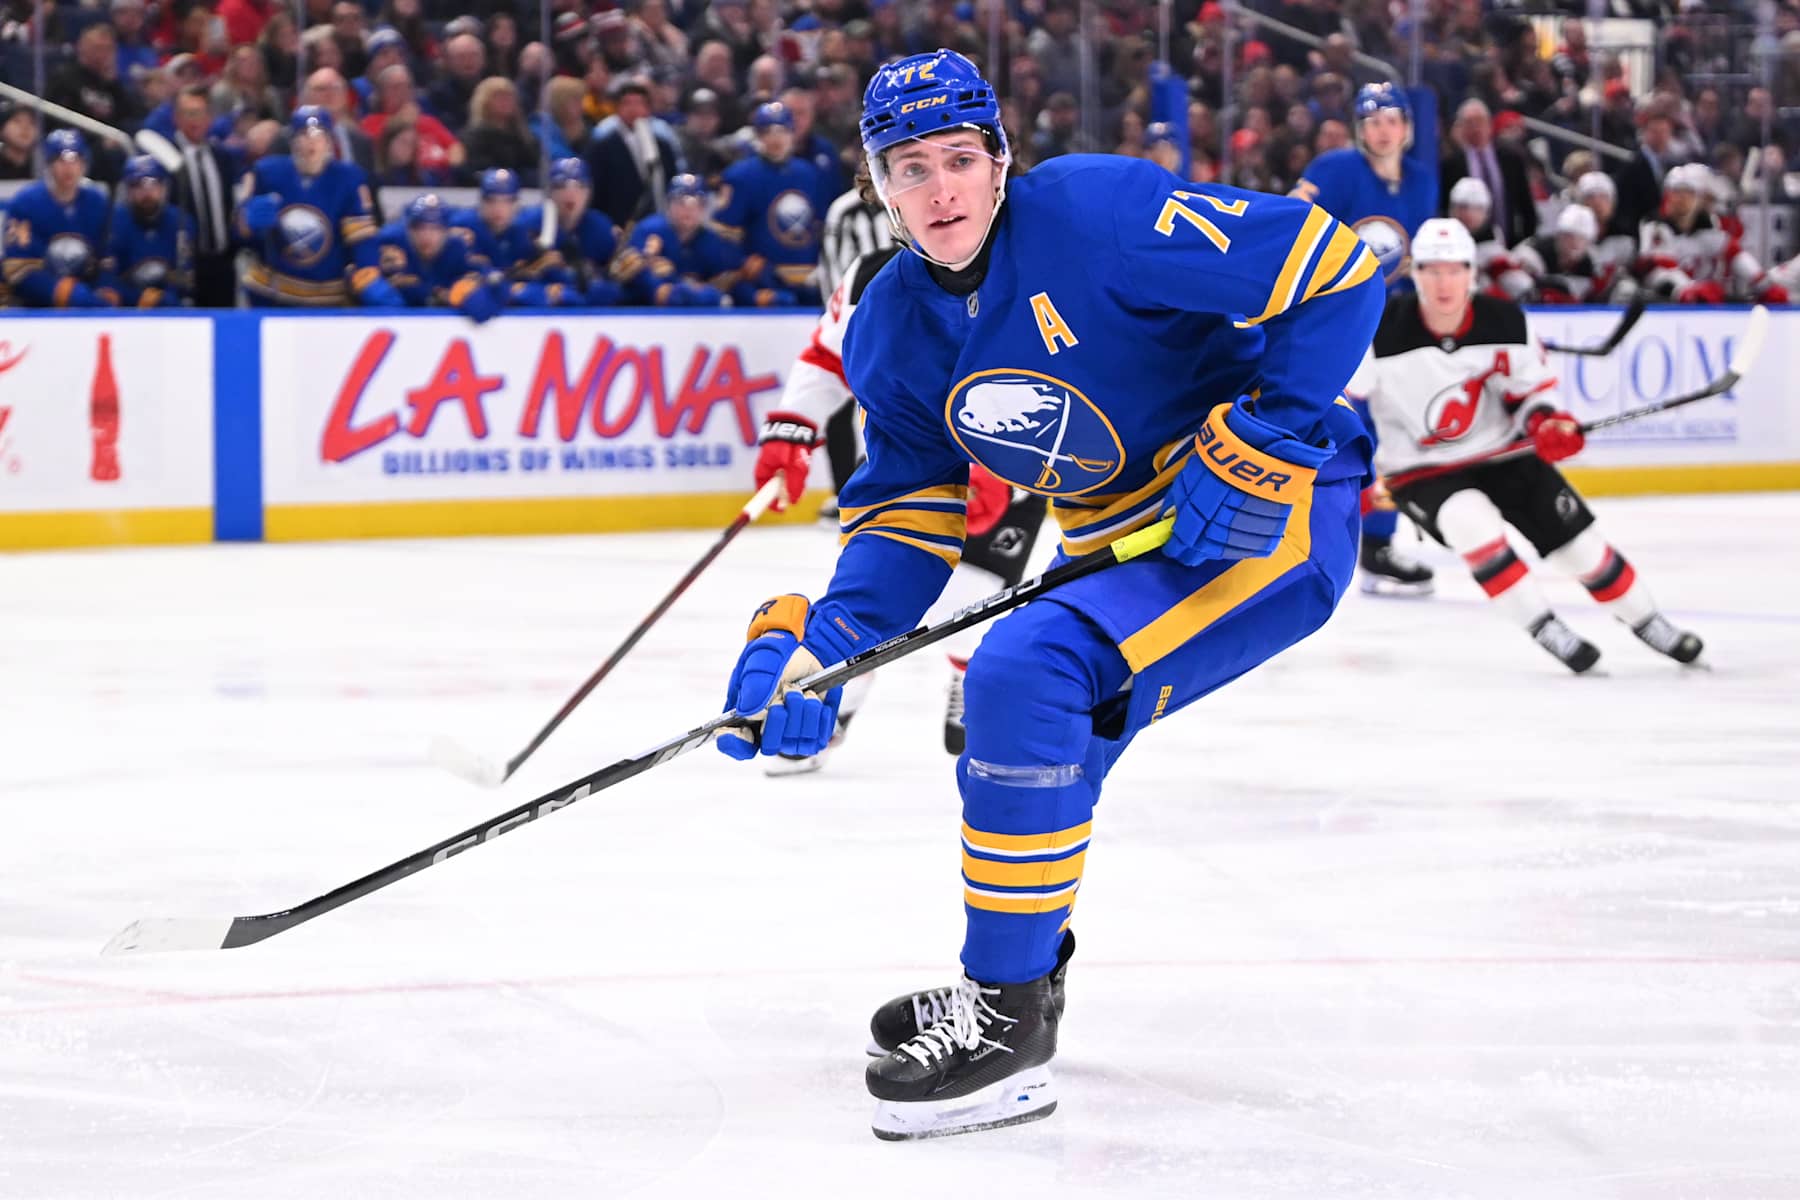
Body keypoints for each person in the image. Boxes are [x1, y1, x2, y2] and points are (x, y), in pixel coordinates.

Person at [711, 49, 1383, 1140]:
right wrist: (819, 649)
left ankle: (1007, 1030)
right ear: (880, 186)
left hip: (1275, 515)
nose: (941, 190)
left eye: (961, 160)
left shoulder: (1097, 212)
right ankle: (1013, 985)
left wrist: (1269, 430)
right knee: (1030, 735)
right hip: (1127, 547)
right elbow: (903, 521)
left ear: (1001, 161)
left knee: (1027, 673)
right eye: (911, 167)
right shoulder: (889, 324)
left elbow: (1338, 269)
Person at [1349, 218, 1703, 674]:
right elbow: (1347, 399)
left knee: (1581, 549)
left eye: (1454, 270)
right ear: (1415, 274)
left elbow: (1530, 393)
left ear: (1472, 274)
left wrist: (1546, 422)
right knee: (1469, 524)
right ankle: (1543, 625)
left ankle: (1649, 621)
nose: (1443, 283)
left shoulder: (1506, 320)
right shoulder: (1379, 331)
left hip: (1506, 454)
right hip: (1422, 471)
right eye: (1432, 271)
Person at [752, 241, 1052, 771]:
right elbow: (828, 354)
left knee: (967, 599)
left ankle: (968, 667)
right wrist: (793, 426)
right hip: (907, 469)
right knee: (870, 603)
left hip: (1010, 466)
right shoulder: (872, 275)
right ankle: (831, 700)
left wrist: (1004, 468)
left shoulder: (1031, 262)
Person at [1291, 80, 1439, 595]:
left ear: (1407, 128)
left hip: (1394, 317)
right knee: (1355, 427)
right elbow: (1292, 219)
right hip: (1338, 314)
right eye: (1374, 121)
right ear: (1360, 129)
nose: (1384, 130)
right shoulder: (1333, 170)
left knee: (1394, 426)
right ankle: (1324, 536)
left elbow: (1415, 250)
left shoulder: (1421, 179)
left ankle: (1376, 541)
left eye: (1392, 120)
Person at [238, 106, 397, 307]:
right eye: (303, 135)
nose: (311, 142)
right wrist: (245, 221)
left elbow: (362, 239)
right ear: (293, 141)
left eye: (318, 136)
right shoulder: (266, 173)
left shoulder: (349, 179)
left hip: (330, 299)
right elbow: (241, 236)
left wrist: (368, 273)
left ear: (329, 142)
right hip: (274, 295)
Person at [2, 130, 113, 308]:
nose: (68, 168)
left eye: (75, 160)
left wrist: (106, 288)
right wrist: (63, 291)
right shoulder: (25, 203)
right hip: (33, 305)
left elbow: (107, 258)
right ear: (49, 165)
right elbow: (17, 269)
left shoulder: (97, 202)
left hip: (85, 297)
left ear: (84, 165)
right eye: (60, 160)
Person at [371, 194, 502, 321]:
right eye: (419, 228)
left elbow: (492, 290)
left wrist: (469, 292)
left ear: (447, 231)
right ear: (408, 230)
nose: (427, 236)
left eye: (435, 229)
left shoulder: (457, 248)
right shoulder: (390, 242)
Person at [619, 173, 739, 307]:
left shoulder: (712, 240)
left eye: (696, 203)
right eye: (681, 202)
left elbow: (723, 286)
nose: (688, 209)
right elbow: (646, 282)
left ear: (704, 208)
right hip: (644, 308)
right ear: (669, 205)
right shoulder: (648, 231)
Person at [520, 156, 625, 305]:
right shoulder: (528, 225)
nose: (570, 194)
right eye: (561, 186)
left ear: (589, 192)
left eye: (579, 186)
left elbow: (615, 279)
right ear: (550, 192)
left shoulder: (601, 227)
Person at [100, 155, 194, 307]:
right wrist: (137, 298)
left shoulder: (181, 222)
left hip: (169, 311)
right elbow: (108, 279)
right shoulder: (113, 221)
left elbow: (185, 276)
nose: (147, 193)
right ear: (128, 190)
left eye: (153, 184)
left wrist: (164, 299)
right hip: (126, 312)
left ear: (164, 188)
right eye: (138, 185)